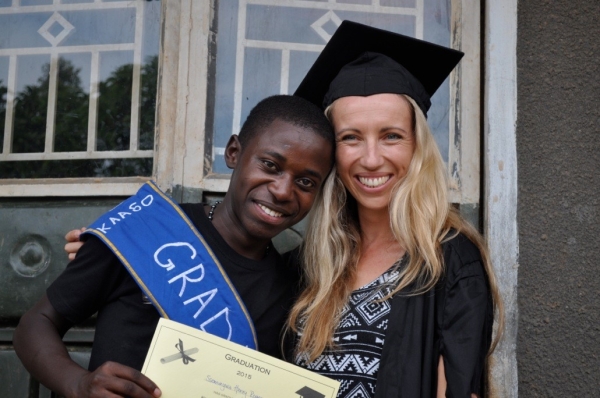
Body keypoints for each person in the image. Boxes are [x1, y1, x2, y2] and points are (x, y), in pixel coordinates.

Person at [13, 95, 335, 398]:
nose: (282, 190)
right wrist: (78, 383)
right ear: (234, 152)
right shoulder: (145, 230)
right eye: (270, 165)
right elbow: (35, 324)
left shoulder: (295, 291)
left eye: (306, 182)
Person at [287, 21, 504, 397]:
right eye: (351, 137)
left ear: (417, 146)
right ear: (331, 151)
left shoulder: (450, 264)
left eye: (391, 136)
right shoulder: (306, 265)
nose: (371, 159)